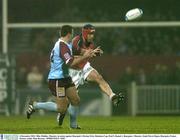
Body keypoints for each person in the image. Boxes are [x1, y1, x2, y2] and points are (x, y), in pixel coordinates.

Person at [26, 25, 101, 127]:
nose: (73, 34)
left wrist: (91, 53)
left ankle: (73, 125)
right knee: (62, 108)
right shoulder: (62, 46)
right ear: (69, 33)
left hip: (65, 78)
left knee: (75, 100)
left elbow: (72, 57)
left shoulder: (65, 45)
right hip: (57, 80)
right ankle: (35, 105)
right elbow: (70, 62)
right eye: (72, 32)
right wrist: (85, 56)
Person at [57, 24, 124, 128]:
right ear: (85, 33)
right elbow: (76, 53)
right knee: (66, 103)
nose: (92, 35)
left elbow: (87, 55)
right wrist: (91, 53)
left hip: (84, 68)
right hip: (72, 72)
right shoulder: (76, 41)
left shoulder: (91, 44)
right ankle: (61, 113)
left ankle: (112, 96)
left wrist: (94, 53)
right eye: (90, 33)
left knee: (99, 78)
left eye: (93, 33)